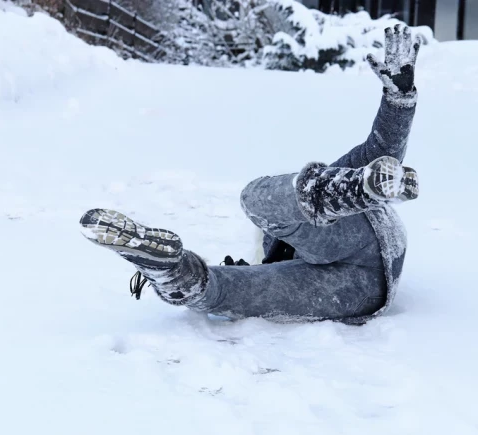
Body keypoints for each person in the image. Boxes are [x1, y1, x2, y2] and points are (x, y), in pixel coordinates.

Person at [79, 25, 421, 325]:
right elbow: (383, 155)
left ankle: (345, 191)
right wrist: (400, 98)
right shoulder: (274, 260)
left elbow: (382, 152)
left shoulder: (294, 225)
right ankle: (171, 274)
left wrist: (399, 101)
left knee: (257, 201)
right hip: (360, 287)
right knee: (232, 289)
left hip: (364, 235)